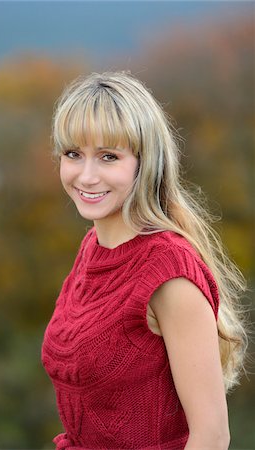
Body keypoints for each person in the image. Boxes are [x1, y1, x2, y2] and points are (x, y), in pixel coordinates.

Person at [41, 71, 248, 449]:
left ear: (144, 162)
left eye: (108, 157)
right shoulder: (92, 247)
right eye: (74, 154)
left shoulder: (170, 273)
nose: (86, 176)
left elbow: (213, 437)